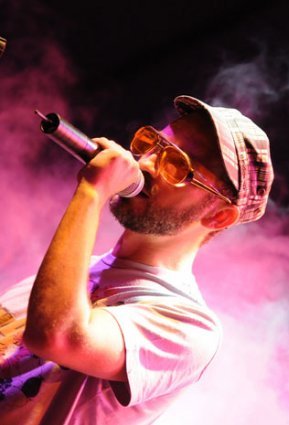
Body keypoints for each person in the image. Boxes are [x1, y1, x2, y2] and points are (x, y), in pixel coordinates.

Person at [0, 95, 274, 424]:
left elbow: (55, 336)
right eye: (152, 144)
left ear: (219, 216)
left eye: (177, 164)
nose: (144, 164)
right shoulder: (68, 274)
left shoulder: (189, 326)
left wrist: (92, 191)